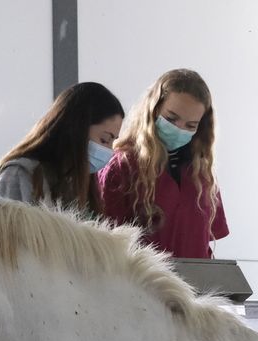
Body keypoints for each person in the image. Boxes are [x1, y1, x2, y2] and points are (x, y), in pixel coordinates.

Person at [98, 69, 229, 259]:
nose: (179, 129)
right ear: (154, 109)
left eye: (191, 125)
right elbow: (107, 245)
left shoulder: (201, 174)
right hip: (141, 277)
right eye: (171, 118)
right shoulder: (122, 166)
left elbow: (203, 245)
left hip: (195, 277)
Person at [0, 82, 124, 216]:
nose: (109, 151)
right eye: (105, 139)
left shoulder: (77, 181)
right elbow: (8, 233)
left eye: (113, 141)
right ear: (77, 128)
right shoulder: (19, 175)